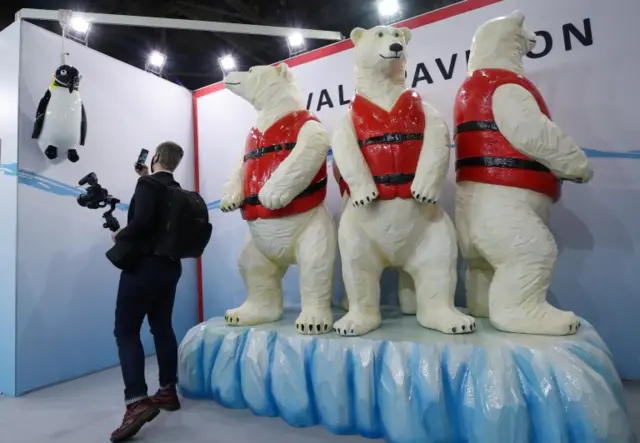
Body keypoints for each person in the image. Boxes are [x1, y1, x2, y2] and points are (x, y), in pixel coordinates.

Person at [110, 141, 185, 443]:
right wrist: (144, 177)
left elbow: (140, 223)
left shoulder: (148, 186)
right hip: (170, 268)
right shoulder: (177, 190)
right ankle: (167, 391)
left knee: (126, 332)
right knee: (162, 327)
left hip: (143, 268)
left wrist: (119, 235)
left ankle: (137, 401)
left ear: (154, 158)